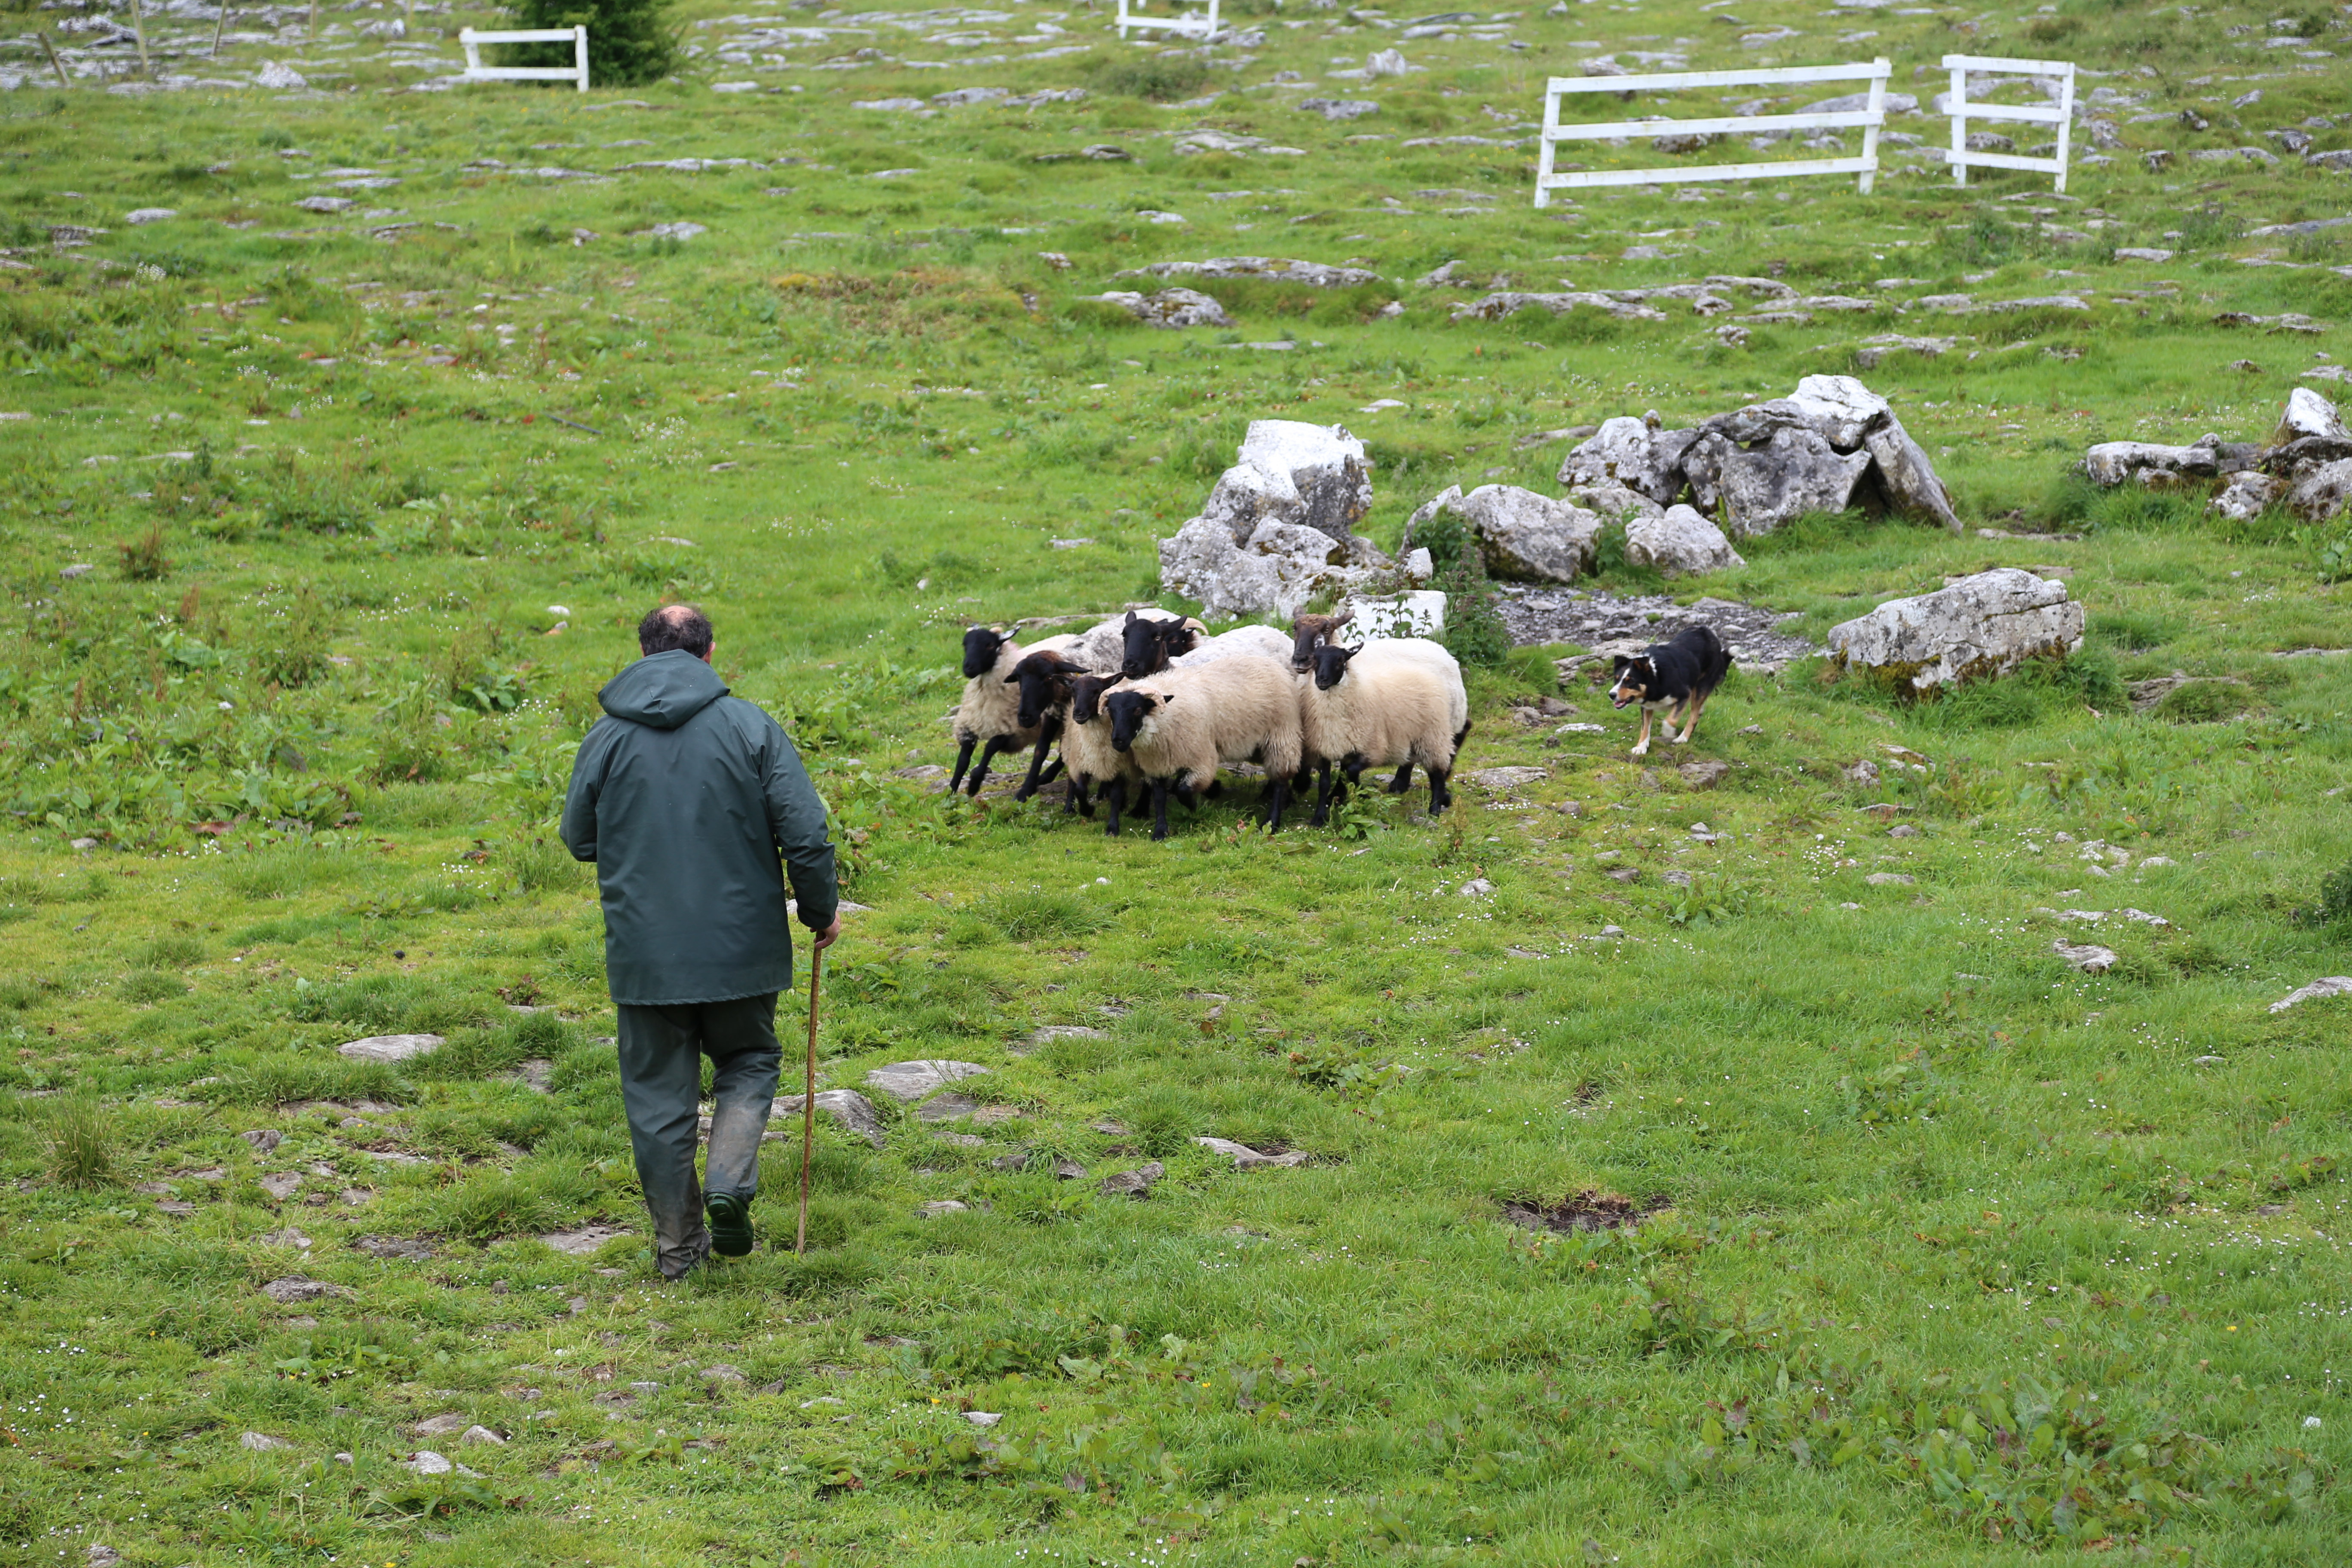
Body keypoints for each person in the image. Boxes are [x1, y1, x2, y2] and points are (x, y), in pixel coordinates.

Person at [561, 604, 840, 1278]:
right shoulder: (750, 726)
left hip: (644, 955)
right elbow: (805, 832)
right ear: (710, 653)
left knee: (658, 1099)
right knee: (747, 1059)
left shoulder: (606, 738)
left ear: (644, 650)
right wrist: (819, 910)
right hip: (743, 949)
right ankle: (729, 1184)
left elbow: (578, 839)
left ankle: (679, 1249)